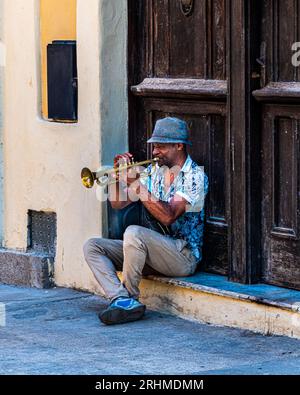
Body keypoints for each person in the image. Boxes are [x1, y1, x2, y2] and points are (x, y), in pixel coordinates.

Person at [83, 117, 209, 325]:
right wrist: (117, 177)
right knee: (93, 246)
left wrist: (137, 185)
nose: (154, 152)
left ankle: (130, 297)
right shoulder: (154, 171)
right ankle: (120, 298)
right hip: (152, 251)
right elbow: (118, 204)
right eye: (154, 147)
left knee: (134, 232)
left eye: (160, 147)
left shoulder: (194, 176)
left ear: (179, 146)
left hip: (182, 257)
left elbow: (168, 216)